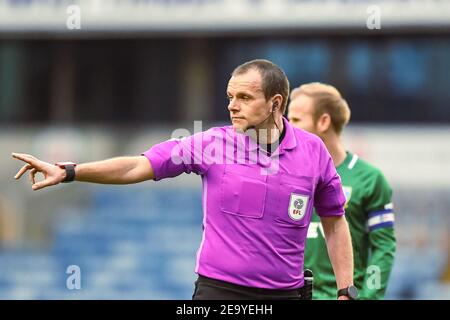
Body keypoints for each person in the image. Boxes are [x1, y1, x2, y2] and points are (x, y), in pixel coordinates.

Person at [12, 59, 355, 300]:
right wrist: (71, 171)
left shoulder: (313, 152)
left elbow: (335, 222)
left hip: (287, 294)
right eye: (230, 97)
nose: (232, 106)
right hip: (220, 292)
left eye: (244, 98)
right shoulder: (210, 144)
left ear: (275, 102)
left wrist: (345, 289)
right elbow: (137, 166)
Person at [288, 82, 396, 300]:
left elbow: (383, 248)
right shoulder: (284, 173)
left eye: (296, 120)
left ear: (324, 121)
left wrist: (367, 297)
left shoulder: (370, 179)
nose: (288, 127)